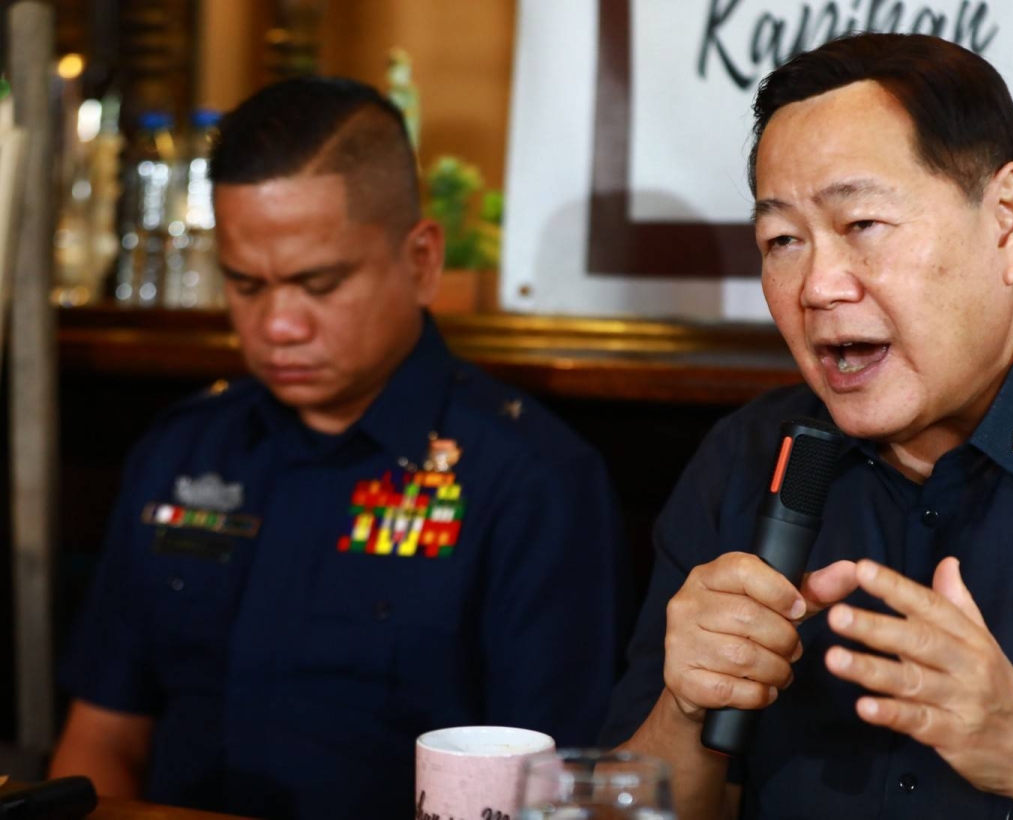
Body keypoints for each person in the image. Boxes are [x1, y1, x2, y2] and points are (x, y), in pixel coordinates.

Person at [600, 33, 1013, 820]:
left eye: (863, 225)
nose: (817, 285)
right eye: (781, 240)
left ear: (1005, 221)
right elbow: (623, 805)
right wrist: (687, 704)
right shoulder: (745, 459)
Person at [49, 77, 627, 819]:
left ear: (420, 260)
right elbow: (102, 738)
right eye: (246, 285)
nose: (279, 324)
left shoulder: (530, 479)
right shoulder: (184, 450)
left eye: (317, 283)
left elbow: (553, 791)